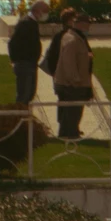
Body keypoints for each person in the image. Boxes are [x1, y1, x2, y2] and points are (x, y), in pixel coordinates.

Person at [44, 9, 95, 143]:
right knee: (72, 113)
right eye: (88, 24)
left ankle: (66, 135)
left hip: (67, 82)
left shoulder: (71, 36)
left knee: (68, 113)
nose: (89, 27)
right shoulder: (73, 40)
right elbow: (69, 62)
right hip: (71, 84)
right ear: (82, 24)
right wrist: (76, 80)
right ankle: (70, 137)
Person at [7, 0, 48, 109]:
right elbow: (13, 43)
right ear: (37, 11)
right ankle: (19, 119)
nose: (46, 15)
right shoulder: (26, 23)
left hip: (30, 64)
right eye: (45, 11)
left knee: (29, 95)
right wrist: (17, 60)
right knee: (24, 96)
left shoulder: (31, 23)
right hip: (25, 64)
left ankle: (24, 119)